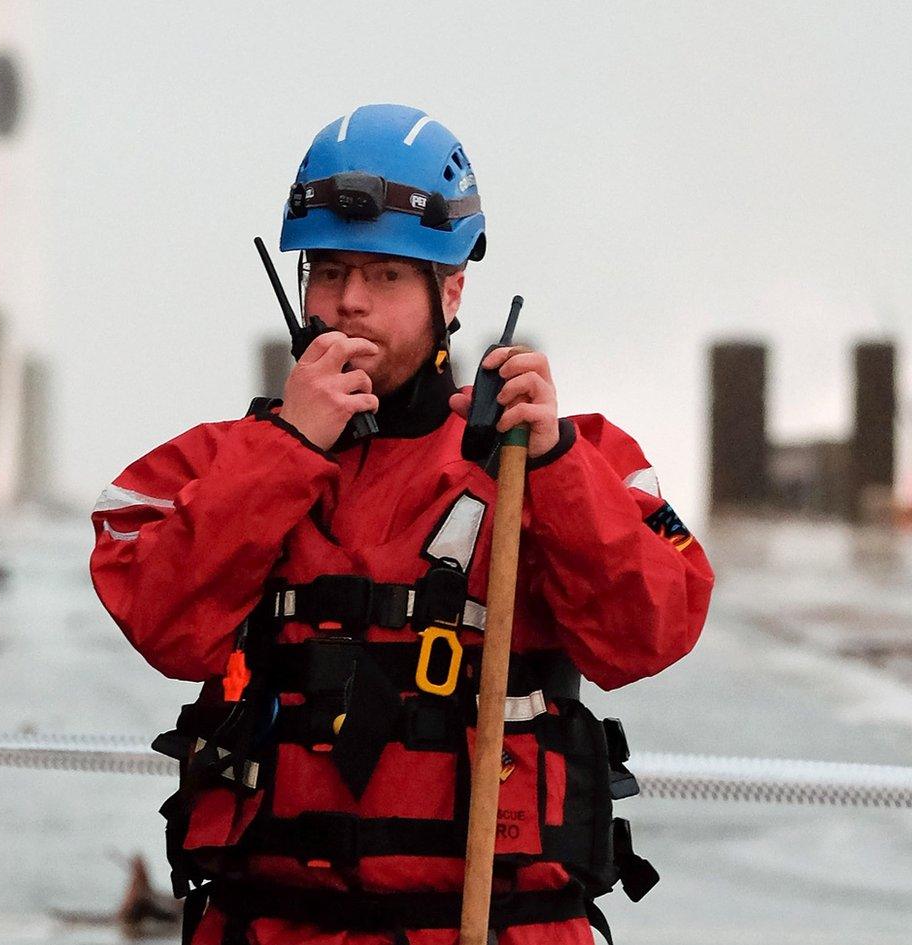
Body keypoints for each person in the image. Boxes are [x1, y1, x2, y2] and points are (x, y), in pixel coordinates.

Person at [90, 104, 714, 944]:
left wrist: (560, 470)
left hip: (490, 929)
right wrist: (285, 449)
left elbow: (649, 635)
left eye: (386, 274)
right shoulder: (215, 466)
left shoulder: (556, 461)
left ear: (450, 289)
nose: (350, 302)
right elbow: (165, 627)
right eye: (331, 271)